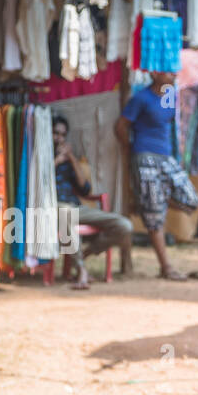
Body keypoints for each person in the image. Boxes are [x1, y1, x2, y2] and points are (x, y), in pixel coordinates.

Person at [114, 71, 198, 281]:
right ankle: (167, 267)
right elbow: (121, 126)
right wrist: (129, 150)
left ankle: (150, 203)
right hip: (144, 155)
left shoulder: (171, 95)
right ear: (155, 74)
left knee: (191, 200)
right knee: (154, 219)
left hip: (165, 155)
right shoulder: (140, 98)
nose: (173, 75)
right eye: (168, 72)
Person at [52, 114, 133, 289]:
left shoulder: (68, 161)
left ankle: (85, 255)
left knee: (124, 226)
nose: (59, 138)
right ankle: (81, 270)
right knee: (67, 215)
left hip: (76, 207)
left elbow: (85, 188)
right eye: (55, 133)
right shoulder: (41, 158)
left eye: (62, 135)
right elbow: (38, 181)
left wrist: (71, 157)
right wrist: (56, 161)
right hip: (54, 208)